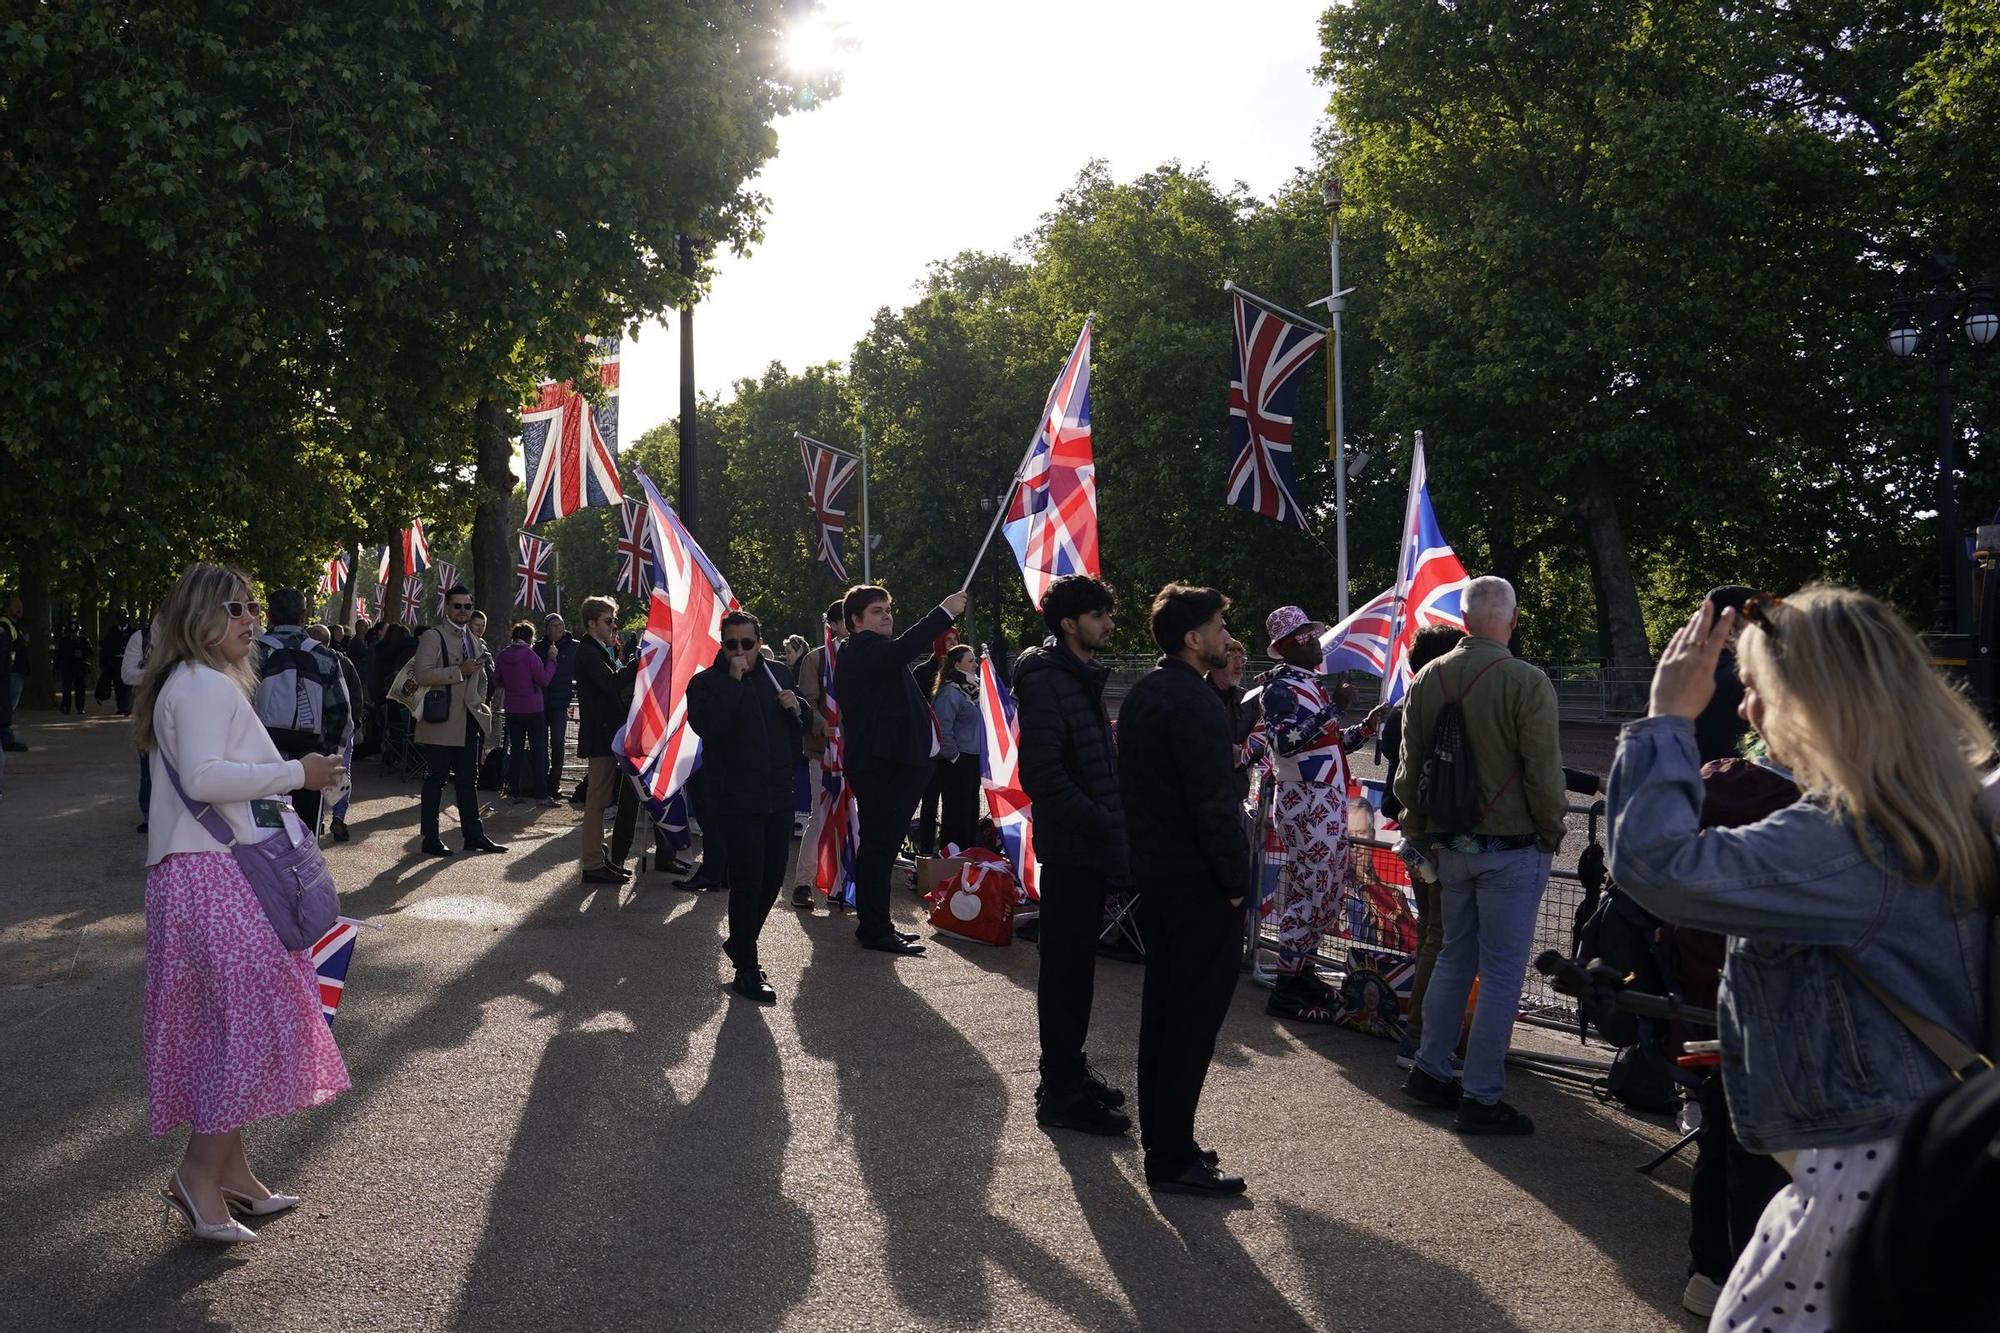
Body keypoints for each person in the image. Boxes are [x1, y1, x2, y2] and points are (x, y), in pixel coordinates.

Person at [1608, 589, 1990, 1331]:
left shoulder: (1853, 837)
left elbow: (1654, 864)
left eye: (1755, 689)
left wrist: (1666, 718)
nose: (1746, 710)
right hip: (1919, 1159)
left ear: (1812, 701)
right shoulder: (1936, 810)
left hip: (1860, 1181)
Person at [132, 563, 350, 1244]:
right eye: (233, 608)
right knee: (248, 1025)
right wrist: (298, 771)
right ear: (197, 616)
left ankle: (232, 1172)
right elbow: (203, 775)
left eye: (250, 606)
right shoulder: (200, 684)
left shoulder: (192, 682)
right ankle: (199, 1173)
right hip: (214, 874)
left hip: (200, 873)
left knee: (230, 1025)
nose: (248, 619)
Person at [1395, 576, 1566, 1135]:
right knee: (1499, 975)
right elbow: (1543, 773)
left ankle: (1430, 1068)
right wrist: (1551, 829)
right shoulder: (1526, 681)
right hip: (1511, 847)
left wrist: (1422, 832)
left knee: (1452, 956)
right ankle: (1482, 1096)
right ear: (1512, 620)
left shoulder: (1426, 678)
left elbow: (1406, 775)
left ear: (1462, 621)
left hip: (1448, 846)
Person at [1117, 583, 1251, 1196]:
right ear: (1193, 638)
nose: (1228, 636)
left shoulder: (1148, 692)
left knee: (1165, 1018)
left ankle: (1169, 1140)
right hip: (1198, 886)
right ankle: (1172, 1156)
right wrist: (1233, 884)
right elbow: (1214, 808)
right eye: (1221, 626)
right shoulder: (1194, 703)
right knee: (1190, 1024)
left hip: (1160, 878)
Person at [1013, 574, 1131, 1137]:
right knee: (1065, 975)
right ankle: (1058, 1090)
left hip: (1088, 846)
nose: (1109, 623)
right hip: (1071, 850)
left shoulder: (1074, 677)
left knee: (1077, 972)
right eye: (1099, 615)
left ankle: (1067, 1071)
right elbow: (1043, 775)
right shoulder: (1047, 681)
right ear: (1069, 624)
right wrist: (1104, 819)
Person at [1257, 605, 1389, 1025]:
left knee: (1327, 895)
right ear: (1291, 646)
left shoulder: (1308, 686)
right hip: (1306, 804)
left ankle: (1302, 972)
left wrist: (1365, 728)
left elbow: (1327, 746)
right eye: (1310, 638)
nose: (1319, 643)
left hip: (1325, 801)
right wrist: (1334, 708)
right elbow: (1286, 743)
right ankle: (1286, 987)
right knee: (1310, 894)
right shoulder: (1280, 688)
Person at [834, 583, 968, 955]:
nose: (887, 614)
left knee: (881, 848)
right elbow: (904, 649)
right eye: (876, 611)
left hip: (893, 766)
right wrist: (943, 612)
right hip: (885, 768)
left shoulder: (871, 652)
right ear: (856, 621)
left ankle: (876, 924)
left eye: (888, 608)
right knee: (879, 848)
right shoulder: (863, 649)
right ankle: (875, 929)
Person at [687, 610, 810, 1003]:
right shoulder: (707, 683)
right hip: (735, 795)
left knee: (774, 877)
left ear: (759, 642)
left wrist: (799, 708)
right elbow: (709, 727)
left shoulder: (779, 674)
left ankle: (740, 942)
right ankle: (746, 967)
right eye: (731, 644)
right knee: (747, 879)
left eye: (747, 643)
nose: (740, 651)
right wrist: (734, 683)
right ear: (722, 645)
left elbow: (799, 728)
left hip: (778, 791)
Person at [1379, 623, 1467, 1069]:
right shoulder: (1427, 704)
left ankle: (1420, 1038)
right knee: (1440, 938)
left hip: (1415, 836)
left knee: (1433, 937)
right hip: (1436, 837)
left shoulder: (1403, 706)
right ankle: (1421, 1042)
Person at [410, 584, 506, 858]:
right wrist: (458, 671)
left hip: (468, 720)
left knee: (468, 780)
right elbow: (422, 675)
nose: (463, 611)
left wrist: (481, 704)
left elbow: (482, 677)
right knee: (436, 779)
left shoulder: (474, 638)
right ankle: (430, 837)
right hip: (440, 721)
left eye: (467, 606)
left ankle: (473, 835)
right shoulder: (433, 636)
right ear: (447, 607)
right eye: (457, 606)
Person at [252, 588, 353, 836]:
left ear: (268, 616)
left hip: (261, 762)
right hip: (310, 761)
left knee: (262, 840)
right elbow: (341, 714)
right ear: (303, 615)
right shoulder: (323, 655)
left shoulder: (253, 653)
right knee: (305, 840)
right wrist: (329, 756)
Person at [575, 596, 638, 884]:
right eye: (608, 621)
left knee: (600, 801)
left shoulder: (599, 650)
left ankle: (598, 858)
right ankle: (591, 863)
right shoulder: (588, 652)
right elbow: (610, 683)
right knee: (597, 802)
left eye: (614, 621)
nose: (614, 626)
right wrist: (637, 665)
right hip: (600, 735)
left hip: (606, 733)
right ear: (591, 623)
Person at [789, 600, 847, 908]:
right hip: (823, 750)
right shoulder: (817, 659)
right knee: (820, 814)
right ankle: (803, 883)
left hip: (858, 751)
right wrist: (822, 724)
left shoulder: (866, 655)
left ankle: (847, 883)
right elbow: (805, 702)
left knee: (854, 816)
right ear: (835, 624)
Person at [305, 624, 364, 842]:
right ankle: (338, 818)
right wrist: (355, 722)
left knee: (315, 774)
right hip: (342, 726)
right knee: (341, 773)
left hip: (314, 728)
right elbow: (357, 693)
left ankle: (317, 819)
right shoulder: (345, 662)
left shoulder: (305, 659)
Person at [495, 620, 556, 805]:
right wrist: (552, 660)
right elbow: (544, 679)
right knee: (538, 751)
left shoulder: (503, 655)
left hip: (513, 708)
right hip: (533, 708)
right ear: (530, 638)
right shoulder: (530, 656)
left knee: (516, 750)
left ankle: (514, 791)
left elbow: (497, 679)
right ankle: (541, 794)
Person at [929, 644, 983, 853]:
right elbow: (942, 727)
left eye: (974, 660)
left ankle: (968, 856)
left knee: (970, 811)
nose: (975, 664)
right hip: (957, 760)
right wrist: (954, 757)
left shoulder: (975, 689)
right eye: (970, 660)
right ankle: (952, 859)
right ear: (957, 663)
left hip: (974, 757)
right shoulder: (951, 692)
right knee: (956, 812)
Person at [537, 613, 580, 800]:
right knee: (540, 744)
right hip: (540, 703)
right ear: (547, 629)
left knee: (557, 743)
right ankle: (541, 783)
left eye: (560, 625)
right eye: (554, 626)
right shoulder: (539, 648)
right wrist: (549, 658)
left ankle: (555, 784)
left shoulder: (574, 647)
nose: (558, 629)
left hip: (560, 703)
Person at [122, 614, 157, 831]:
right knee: (147, 766)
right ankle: (149, 815)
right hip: (147, 710)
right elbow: (127, 674)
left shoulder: (189, 634)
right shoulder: (142, 637)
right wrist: (160, 673)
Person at [0, 593, 27, 751]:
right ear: (8, 608)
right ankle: (5, 737)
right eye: (16, 607)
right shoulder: (5, 624)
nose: (19, 610)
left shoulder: (14, 624)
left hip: (14, 670)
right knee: (7, 704)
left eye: (21, 607)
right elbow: (8, 647)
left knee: (9, 704)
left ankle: (6, 735)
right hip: (11, 670)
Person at [103, 609, 140, 715]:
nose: (122, 620)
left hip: (129, 660)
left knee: (129, 686)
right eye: (120, 618)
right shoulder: (112, 631)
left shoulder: (133, 632)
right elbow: (107, 647)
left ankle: (129, 707)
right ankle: (120, 707)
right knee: (118, 686)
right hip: (116, 662)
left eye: (124, 618)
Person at [55, 619, 91, 714]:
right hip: (67, 667)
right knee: (66, 688)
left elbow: (90, 652)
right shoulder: (63, 641)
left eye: (75, 632)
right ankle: (66, 706)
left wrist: (82, 654)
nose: (74, 634)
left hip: (79, 668)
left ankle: (80, 707)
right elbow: (59, 655)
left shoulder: (83, 640)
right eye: (72, 632)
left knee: (80, 689)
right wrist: (57, 667)